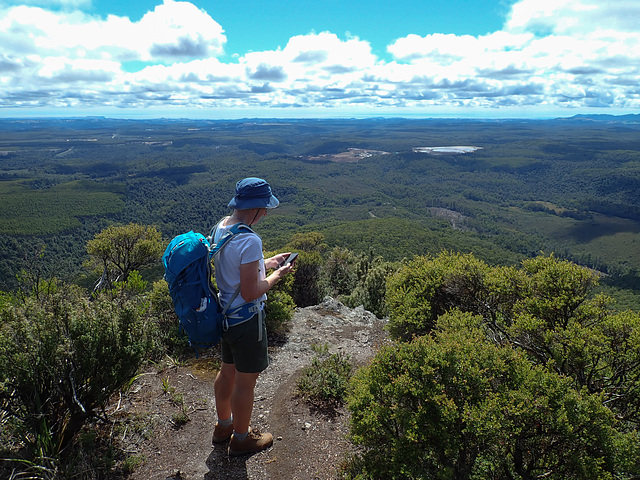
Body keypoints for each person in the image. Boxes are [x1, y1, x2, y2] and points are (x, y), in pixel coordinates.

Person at [210, 177, 295, 456]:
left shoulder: (222, 227)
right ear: (257, 209)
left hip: (225, 314)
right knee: (246, 382)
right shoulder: (250, 239)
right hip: (247, 320)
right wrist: (276, 275)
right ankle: (242, 439)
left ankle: (223, 426)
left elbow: (233, 270)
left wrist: (266, 262)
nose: (267, 214)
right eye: (265, 209)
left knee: (227, 372)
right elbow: (250, 291)